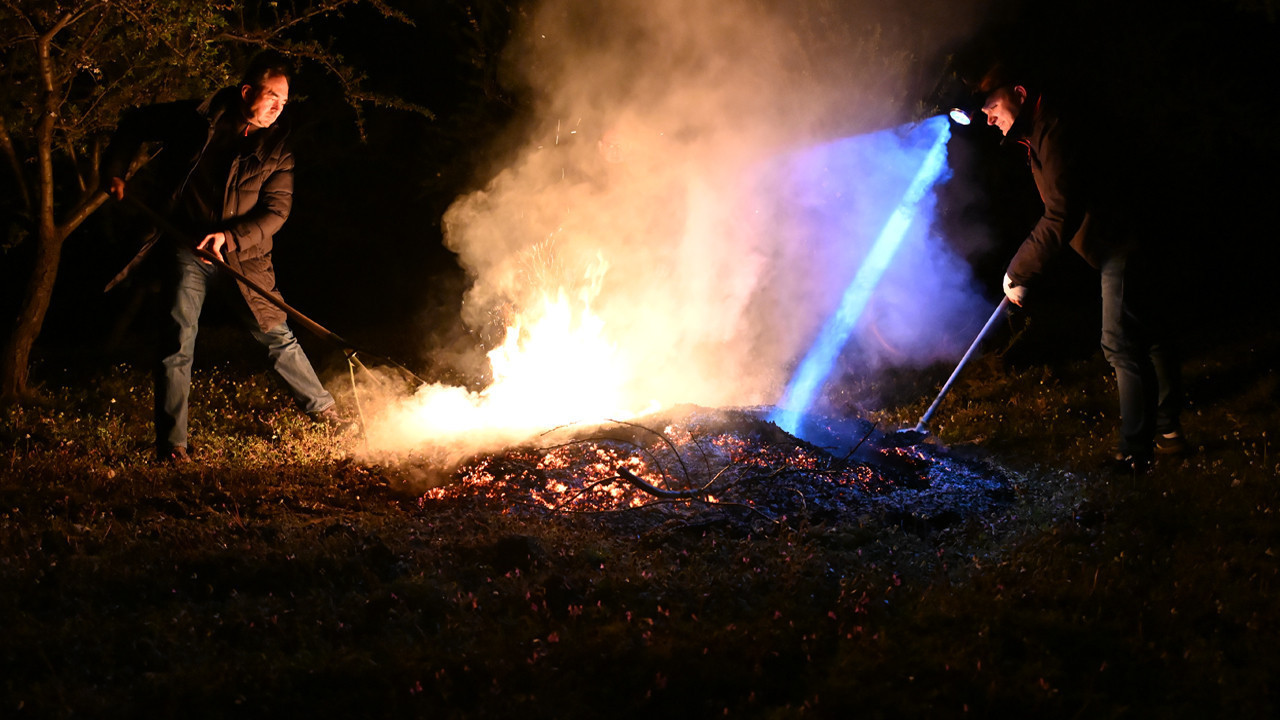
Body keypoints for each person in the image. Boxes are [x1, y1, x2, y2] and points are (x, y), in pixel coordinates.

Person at [102, 53, 345, 463]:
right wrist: (114, 169)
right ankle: (173, 446)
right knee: (178, 341)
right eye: (272, 97)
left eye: (284, 102)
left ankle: (324, 412)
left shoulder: (277, 149)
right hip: (185, 247)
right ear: (247, 92)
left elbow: (276, 212)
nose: (278, 107)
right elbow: (134, 123)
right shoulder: (195, 120)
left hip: (243, 258)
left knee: (275, 334)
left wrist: (229, 238)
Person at [977, 66, 1186, 471]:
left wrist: (1020, 271)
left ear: (1019, 92)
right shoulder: (1039, 131)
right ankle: (1168, 433)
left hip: (1121, 239)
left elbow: (1061, 212)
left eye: (992, 106)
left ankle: (1134, 452)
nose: (989, 118)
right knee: (1150, 334)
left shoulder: (1054, 129)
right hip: (1118, 238)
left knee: (1120, 342)